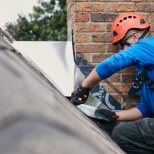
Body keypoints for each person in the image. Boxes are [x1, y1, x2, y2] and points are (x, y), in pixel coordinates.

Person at [70, 12, 154, 154]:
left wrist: (84, 87)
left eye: (122, 45)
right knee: (118, 128)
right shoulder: (144, 68)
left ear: (134, 37)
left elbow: (112, 64)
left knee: (121, 134)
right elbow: (145, 108)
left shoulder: (148, 45)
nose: (121, 50)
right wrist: (114, 115)